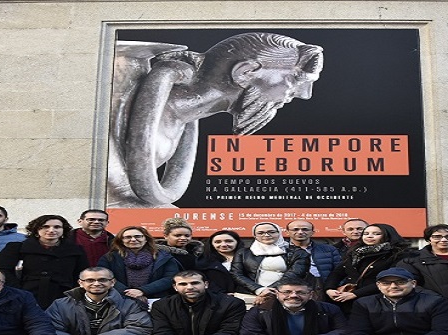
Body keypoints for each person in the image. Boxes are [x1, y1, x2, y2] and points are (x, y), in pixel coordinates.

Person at [108, 33, 323, 207]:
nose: (305, 94)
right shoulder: (112, 108)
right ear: (245, 72)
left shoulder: (177, 121)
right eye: (295, 78)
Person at [0, 215, 89, 309]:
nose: (51, 230)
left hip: (63, 295)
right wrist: (17, 289)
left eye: (57, 227)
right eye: (45, 227)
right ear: (36, 229)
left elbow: (82, 273)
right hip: (27, 293)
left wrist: (74, 292)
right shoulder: (17, 247)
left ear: (64, 230)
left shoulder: (75, 250)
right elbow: (2, 270)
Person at [324, 223, 413, 309]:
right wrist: (330, 289)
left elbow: (394, 279)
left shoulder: (399, 254)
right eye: (366, 234)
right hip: (348, 300)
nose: (370, 236)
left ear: (388, 235)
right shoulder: (355, 253)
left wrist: (356, 294)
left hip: (380, 301)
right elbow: (337, 273)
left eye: (376, 234)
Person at [230, 222, 311, 304]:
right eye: (260, 233)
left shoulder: (298, 252)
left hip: (286, 295)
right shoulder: (243, 253)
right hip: (249, 294)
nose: (266, 235)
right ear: (255, 236)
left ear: (279, 233)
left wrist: (269, 292)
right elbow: (236, 274)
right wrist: (260, 290)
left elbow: (295, 274)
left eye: (271, 232)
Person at [98, 226, 183, 302]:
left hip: (158, 300)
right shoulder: (109, 258)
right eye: (128, 237)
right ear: (121, 240)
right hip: (120, 299)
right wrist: (128, 293)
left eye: (138, 236)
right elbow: (104, 277)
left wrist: (143, 290)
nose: (133, 239)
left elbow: (170, 278)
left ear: (146, 239)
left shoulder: (164, 257)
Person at [285, 220, 343, 287]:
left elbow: (339, 272)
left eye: (305, 229)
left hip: (322, 287)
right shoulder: (281, 250)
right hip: (289, 288)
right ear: (287, 232)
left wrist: (332, 288)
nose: (300, 232)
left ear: (312, 232)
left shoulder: (329, 250)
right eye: (295, 229)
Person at [195, 229, 245, 295]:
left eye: (229, 241)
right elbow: (203, 281)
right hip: (216, 297)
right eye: (218, 242)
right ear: (212, 244)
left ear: (237, 242)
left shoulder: (249, 258)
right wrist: (221, 294)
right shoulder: (203, 261)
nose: (223, 244)